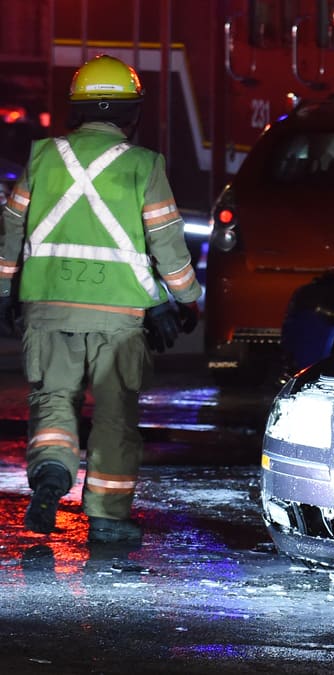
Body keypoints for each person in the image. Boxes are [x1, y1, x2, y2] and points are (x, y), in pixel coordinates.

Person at [0, 55, 201, 542]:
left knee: (53, 402)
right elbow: (166, 243)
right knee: (114, 413)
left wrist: (5, 289)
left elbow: (10, 228)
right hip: (119, 316)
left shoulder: (43, 156)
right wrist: (186, 298)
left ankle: (52, 471)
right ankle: (108, 519)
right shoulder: (144, 165)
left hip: (47, 306)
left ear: (76, 110)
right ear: (133, 112)